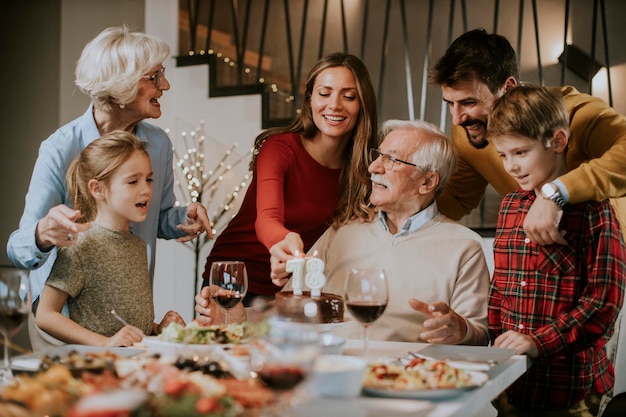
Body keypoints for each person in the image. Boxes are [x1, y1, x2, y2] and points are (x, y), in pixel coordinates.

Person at [197, 119, 490, 346]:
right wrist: (241, 318)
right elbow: (292, 306)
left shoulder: (464, 247)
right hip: (332, 372)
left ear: (427, 182)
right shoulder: (340, 232)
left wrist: (459, 329)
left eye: (392, 160)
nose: (374, 167)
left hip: (412, 383)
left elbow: (479, 334)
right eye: (378, 155)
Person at [6, 26, 211, 320]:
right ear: (121, 87)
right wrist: (42, 233)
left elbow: (159, 217)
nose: (164, 85)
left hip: (127, 318)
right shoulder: (61, 148)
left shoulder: (159, 144)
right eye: (153, 77)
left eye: (161, 74)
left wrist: (184, 217)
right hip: (65, 322)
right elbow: (17, 249)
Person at [486, 85, 625, 417]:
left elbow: (603, 304)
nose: (510, 167)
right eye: (503, 155)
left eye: (520, 152)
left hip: (572, 395)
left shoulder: (595, 210)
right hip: (511, 387)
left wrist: (537, 343)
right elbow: (499, 290)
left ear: (558, 141)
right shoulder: (509, 207)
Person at [202, 52, 378, 306]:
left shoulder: (362, 170)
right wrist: (284, 240)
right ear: (309, 100)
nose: (335, 105)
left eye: (348, 96)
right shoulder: (278, 148)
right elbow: (267, 217)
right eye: (324, 93)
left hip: (291, 288)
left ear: (362, 104)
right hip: (234, 279)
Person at [429, 28, 626, 246]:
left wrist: (558, 192)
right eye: (450, 104)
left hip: (610, 248)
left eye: (469, 103)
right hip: (546, 254)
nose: (456, 119)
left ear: (509, 87)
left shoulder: (574, 112)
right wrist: (396, 212)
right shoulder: (468, 129)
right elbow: (458, 197)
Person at [35, 131, 185, 347]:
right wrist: (105, 342)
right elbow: (46, 315)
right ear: (97, 189)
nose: (146, 190)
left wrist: (158, 329)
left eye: (149, 179)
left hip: (135, 368)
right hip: (97, 371)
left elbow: (125, 324)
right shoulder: (80, 246)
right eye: (133, 181)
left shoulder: (139, 246)